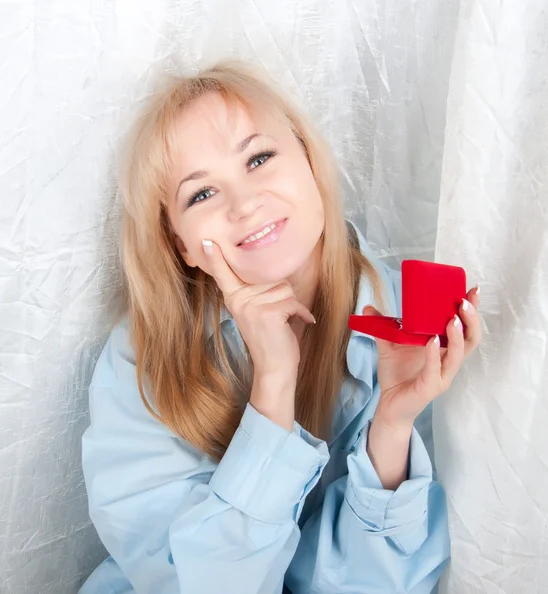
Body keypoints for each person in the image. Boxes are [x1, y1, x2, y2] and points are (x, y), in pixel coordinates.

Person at [79, 60, 482, 594]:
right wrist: (272, 390)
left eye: (260, 158)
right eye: (201, 194)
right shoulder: (143, 357)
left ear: (311, 160)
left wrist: (392, 427)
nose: (245, 204)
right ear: (180, 244)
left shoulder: (413, 320)